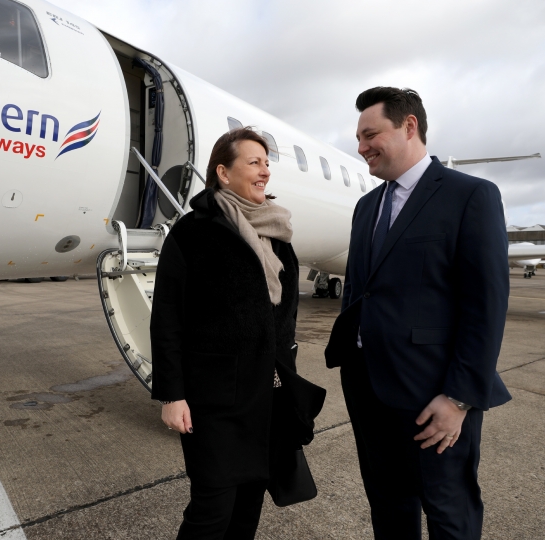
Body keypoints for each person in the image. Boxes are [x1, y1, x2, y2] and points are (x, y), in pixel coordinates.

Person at [325, 87, 512, 540]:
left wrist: (460, 397)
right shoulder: (367, 205)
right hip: (369, 389)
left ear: (409, 127)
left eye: (371, 134)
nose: (361, 146)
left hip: (433, 396)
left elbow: (485, 305)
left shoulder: (471, 195)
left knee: (449, 511)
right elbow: (360, 290)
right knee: (388, 506)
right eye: (358, 137)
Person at [150, 127, 312, 540]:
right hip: (213, 399)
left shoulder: (278, 236)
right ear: (223, 172)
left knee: (249, 506)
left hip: (266, 395)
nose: (265, 172)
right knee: (212, 507)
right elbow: (167, 317)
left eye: (266, 164)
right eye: (254, 163)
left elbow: (285, 318)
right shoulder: (193, 233)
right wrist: (172, 393)